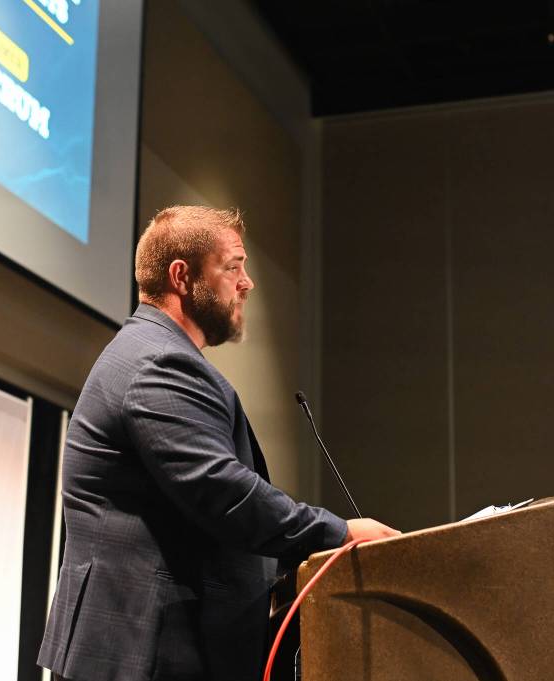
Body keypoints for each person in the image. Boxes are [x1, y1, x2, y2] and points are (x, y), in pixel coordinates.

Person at [38, 206, 399, 681]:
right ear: (182, 277)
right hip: (141, 654)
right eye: (232, 267)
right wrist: (341, 534)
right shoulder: (158, 363)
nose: (247, 282)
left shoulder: (152, 354)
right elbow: (223, 492)